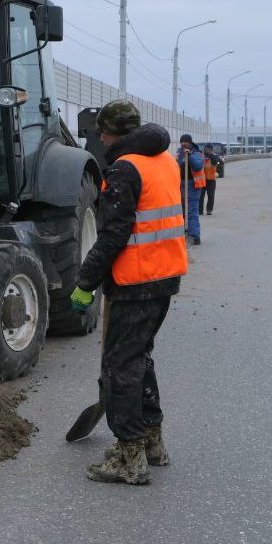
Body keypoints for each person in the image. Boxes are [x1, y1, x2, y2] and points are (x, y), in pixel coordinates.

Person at [68, 100, 188, 485]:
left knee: (120, 367)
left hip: (135, 280)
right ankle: (152, 442)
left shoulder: (124, 168)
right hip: (165, 275)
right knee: (139, 358)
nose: (99, 138)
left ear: (115, 133)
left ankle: (129, 457)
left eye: (103, 132)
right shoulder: (165, 160)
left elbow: (113, 235)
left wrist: (85, 283)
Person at [176, 134, 205, 244]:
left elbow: (198, 166)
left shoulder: (196, 153)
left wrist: (190, 155)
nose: (183, 144)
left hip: (193, 185)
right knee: (181, 211)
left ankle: (194, 236)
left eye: (185, 142)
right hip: (181, 185)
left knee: (192, 211)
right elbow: (175, 166)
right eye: (181, 142)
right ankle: (183, 233)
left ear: (190, 143)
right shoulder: (179, 153)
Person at [200, 143, 223, 215]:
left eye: (209, 149)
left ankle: (209, 210)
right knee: (200, 196)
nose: (208, 150)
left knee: (211, 196)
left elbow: (220, 162)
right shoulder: (201, 155)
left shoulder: (215, 156)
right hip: (202, 179)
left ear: (211, 149)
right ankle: (199, 211)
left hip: (211, 179)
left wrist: (212, 156)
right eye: (207, 149)